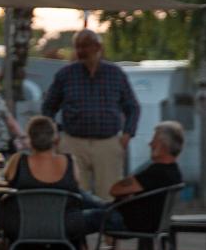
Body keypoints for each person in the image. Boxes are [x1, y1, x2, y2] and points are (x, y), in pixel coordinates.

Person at [0, 115, 103, 250]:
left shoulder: (18, 160)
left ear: (30, 139)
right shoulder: (69, 161)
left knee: (21, 236)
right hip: (63, 227)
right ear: (55, 139)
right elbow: (76, 189)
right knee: (76, 227)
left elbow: (5, 179)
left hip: (23, 227)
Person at [41, 29, 140, 200]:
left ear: (98, 47)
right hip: (73, 143)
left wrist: (127, 134)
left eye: (85, 46)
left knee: (109, 195)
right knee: (76, 196)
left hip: (107, 143)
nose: (81, 51)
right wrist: (55, 134)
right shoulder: (65, 75)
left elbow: (132, 107)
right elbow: (48, 107)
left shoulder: (115, 74)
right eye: (77, 46)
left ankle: (108, 219)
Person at [104, 121, 184, 250]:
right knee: (83, 201)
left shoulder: (156, 172)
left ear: (162, 145)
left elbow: (115, 190)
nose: (150, 144)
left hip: (125, 222)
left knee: (76, 219)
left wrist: (128, 191)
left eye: (154, 140)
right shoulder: (174, 171)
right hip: (141, 222)